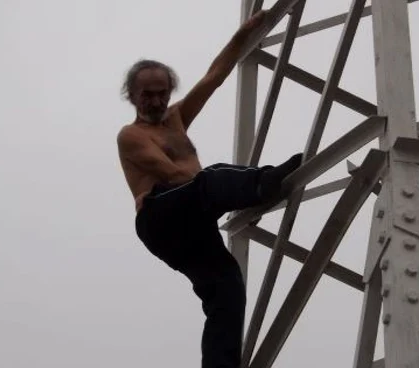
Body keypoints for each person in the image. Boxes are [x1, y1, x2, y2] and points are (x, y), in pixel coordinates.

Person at [116, 9, 302, 368]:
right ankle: (263, 181)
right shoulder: (131, 136)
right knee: (211, 179)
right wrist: (239, 188)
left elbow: (214, 77)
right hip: (162, 218)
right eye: (146, 96)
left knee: (226, 286)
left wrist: (243, 34)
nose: (155, 102)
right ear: (132, 96)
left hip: (192, 224)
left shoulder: (176, 119)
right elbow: (173, 176)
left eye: (161, 94)